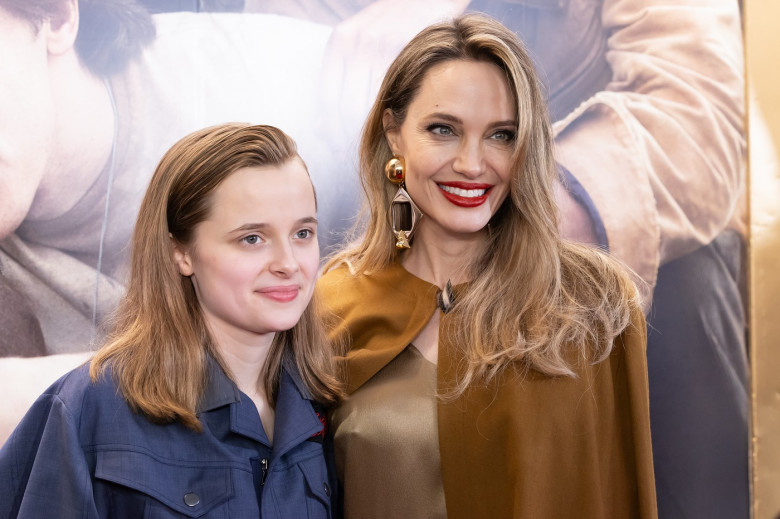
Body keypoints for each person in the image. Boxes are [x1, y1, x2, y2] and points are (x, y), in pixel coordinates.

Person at [318, 13, 657, 519]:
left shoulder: (595, 303)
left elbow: (621, 494)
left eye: (501, 135)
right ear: (394, 134)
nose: (473, 165)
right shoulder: (329, 306)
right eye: (443, 130)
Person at [0, 123, 343, 518]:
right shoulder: (90, 407)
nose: (288, 264)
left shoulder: (325, 407)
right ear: (181, 252)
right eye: (252, 239)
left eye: (303, 233)